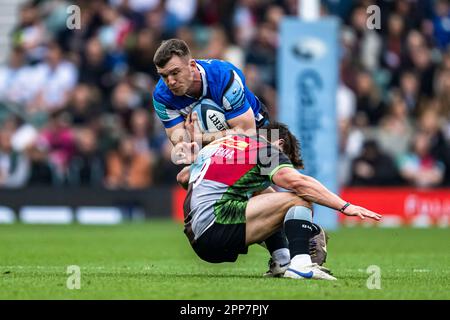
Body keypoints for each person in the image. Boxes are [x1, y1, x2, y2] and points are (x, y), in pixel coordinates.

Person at [179, 122, 382, 280]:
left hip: (196, 238)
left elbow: (183, 177)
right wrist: (345, 206)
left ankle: (282, 260)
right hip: (216, 227)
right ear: (280, 144)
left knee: (264, 195)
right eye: (286, 161)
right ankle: (301, 264)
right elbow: (299, 184)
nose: (283, 166)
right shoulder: (268, 151)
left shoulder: (223, 145)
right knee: (299, 199)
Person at [152, 38, 270, 147]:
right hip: (210, 149)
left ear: (192, 66)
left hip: (258, 130)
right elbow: (183, 146)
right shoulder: (161, 97)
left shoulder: (224, 77)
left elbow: (247, 132)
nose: (170, 82)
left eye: (175, 72)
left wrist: (201, 138)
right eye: (164, 75)